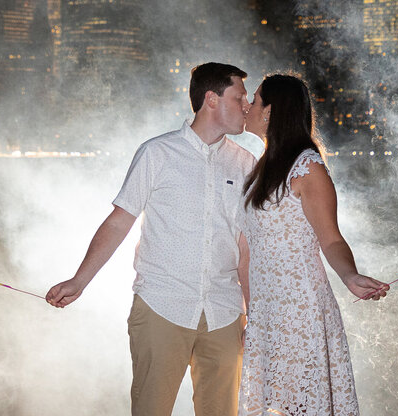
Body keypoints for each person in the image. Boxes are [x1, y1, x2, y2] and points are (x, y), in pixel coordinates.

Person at [46, 62, 257, 416]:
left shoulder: (246, 163)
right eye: (240, 98)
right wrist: (79, 280)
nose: (247, 107)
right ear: (211, 99)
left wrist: (256, 317)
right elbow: (118, 222)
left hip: (225, 312)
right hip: (161, 305)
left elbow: (246, 248)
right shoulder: (157, 153)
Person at [238, 73, 388, 416]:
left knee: (295, 405)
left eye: (256, 99)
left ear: (271, 112)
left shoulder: (307, 167)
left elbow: (331, 238)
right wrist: (252, 316)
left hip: (298, 309)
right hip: (268, 311)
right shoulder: (263, 166)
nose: (248, 105)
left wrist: (350, 276)